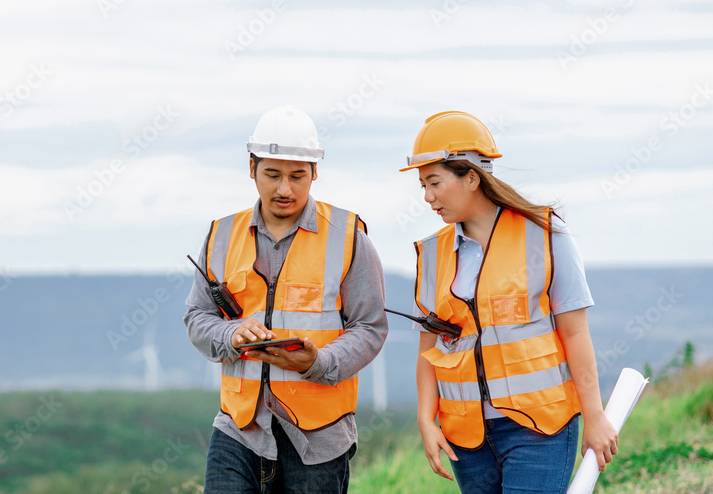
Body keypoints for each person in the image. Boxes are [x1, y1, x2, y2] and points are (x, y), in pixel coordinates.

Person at [399, 111, 620, 494]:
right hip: (466, 436)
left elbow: (575, 331)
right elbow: (428, 349)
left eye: (434, 182)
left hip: (539, 427)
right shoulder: (433, 254)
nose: (427, 197)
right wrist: (425, 419)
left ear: (471, 176)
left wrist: (595, 414)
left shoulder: (545, 234)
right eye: (422, 185)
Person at [184, 105, 387, 494]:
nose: (284, 189)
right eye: (272, 175)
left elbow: (370, 327)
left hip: (318, 437)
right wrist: (231, 333)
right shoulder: (220, 235)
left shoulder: (348, 237)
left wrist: (321, 362)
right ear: (251, 169)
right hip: (240, 428)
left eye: (297, 176)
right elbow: (197, 317)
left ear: (314, 172)